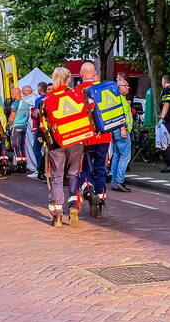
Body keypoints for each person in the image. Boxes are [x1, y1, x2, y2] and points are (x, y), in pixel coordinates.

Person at [41, 67, 85, 227]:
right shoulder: (76, 94)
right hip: (77, 139)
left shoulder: (48, 99)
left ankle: (57, 214)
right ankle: (73, 206)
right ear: (67, 80)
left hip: (58, 143)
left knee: (57, 177)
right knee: (74, 174)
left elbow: (43, 124)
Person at [74, 61, 112, 216]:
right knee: (100, 167)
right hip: (104, 135)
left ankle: (89, 193)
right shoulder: (104, 89)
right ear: (95, 73)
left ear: (82, 75)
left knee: (84, 167)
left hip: (86, 137)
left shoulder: (77, 91)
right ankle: (101, 197)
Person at [110, 77, 134, 193]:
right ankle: (120, 181)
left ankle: (114, 181)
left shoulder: (115, 99)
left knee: (116, 156)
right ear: (119, 88)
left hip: (115, 131)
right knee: (125, 156)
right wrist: (123, 129)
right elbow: (120, 116)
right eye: (125, 85)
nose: (127, 87)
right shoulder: (121, 100)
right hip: (122, 131)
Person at [9, 85, 32, 172]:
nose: (11, 95)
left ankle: (19, 165)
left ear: (16, 94)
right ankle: (24, 163)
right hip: (24, 126)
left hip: (16, 126)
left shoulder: (15, 104)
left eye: (12, 93)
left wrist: (8, 125)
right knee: (22, 146)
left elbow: (12, 117)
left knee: (16, 146)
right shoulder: (25, 103)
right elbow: (27, 116)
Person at [29, 82, 49, 180]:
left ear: (40, 89)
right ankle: (45, 170)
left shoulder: (38, 100)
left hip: (40, 128)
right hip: (51, 128)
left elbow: (37, 115)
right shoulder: (52, 97)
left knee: (36, 149)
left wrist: (32, 114)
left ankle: (40, 169)